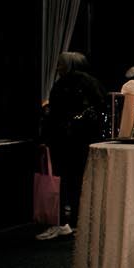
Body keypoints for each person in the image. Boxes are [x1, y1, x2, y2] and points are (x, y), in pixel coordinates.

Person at [38, 52, 108, 240]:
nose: (58, 68)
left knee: (64, 180)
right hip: (82, 139)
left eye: (61, 65)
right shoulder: (90, 83)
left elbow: (56, 113)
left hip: (67, 139)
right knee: (78, 181)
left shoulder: (66, 84)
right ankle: (77, 221)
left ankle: (64, 221)